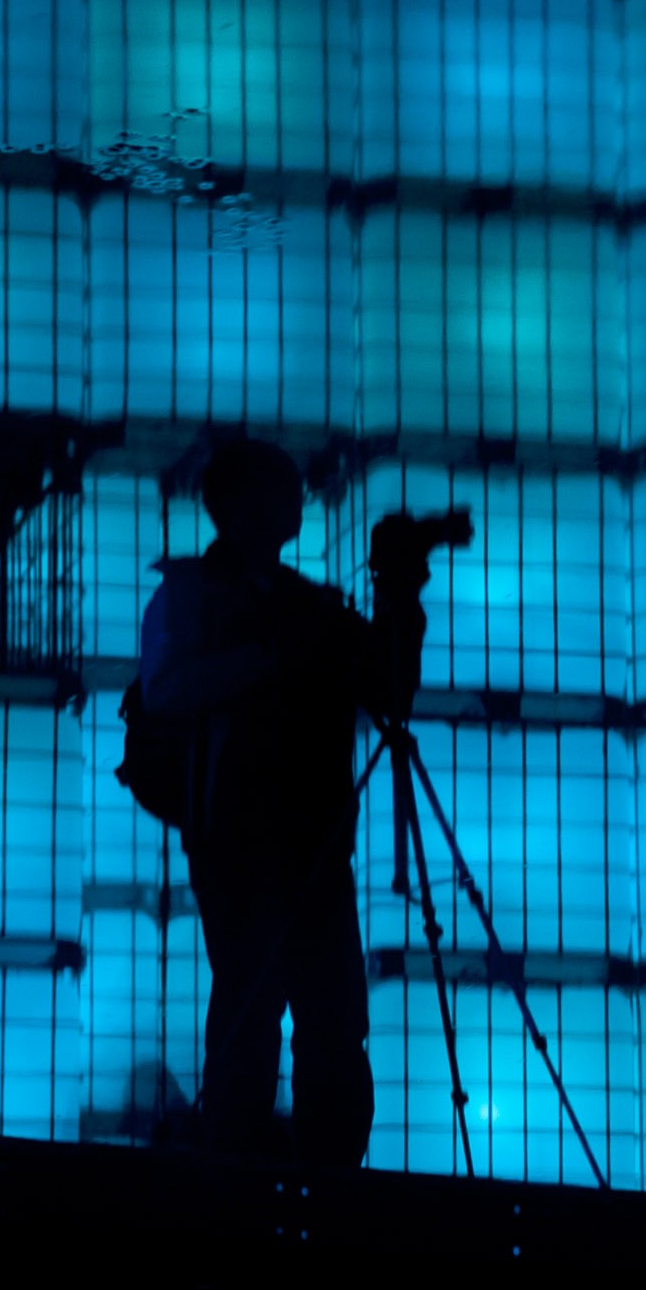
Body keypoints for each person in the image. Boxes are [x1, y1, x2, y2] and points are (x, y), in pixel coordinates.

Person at [137, 437, 423, 1167]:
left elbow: (386, 692)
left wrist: (400, 603)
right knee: (253, 1000)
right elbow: (167, 690)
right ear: (234, 505)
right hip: (236, 836)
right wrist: (273, 657)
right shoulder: (190, 596)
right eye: (280, 492)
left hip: (316, 839)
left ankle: (326, 1165)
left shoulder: (308, 607)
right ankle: (240, 1160)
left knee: (329, 1011)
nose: (295, 505)